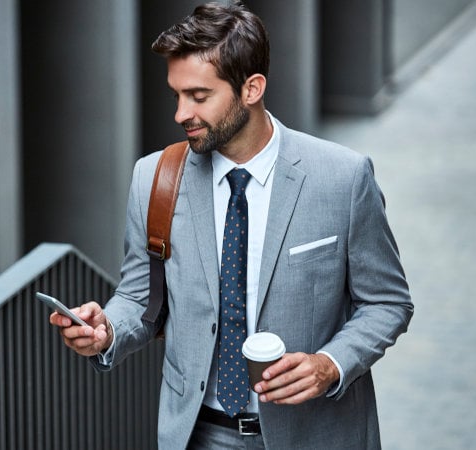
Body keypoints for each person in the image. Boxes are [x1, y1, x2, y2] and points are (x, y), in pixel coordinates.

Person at [50, 2, 413, 448]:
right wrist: (106, 329)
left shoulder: (343, 177)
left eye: (199, 96)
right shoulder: (156, 178)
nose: (181, 113)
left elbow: (387, 303)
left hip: (316, 434)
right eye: (176, 94)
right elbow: (139, 297)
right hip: (201, 435)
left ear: (251, 88)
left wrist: (330, 364)